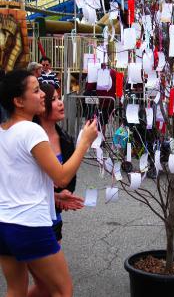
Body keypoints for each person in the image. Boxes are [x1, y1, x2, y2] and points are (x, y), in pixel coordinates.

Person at [0, 70, 97, 296]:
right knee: (63, 291)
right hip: (28, 225)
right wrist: (84, 142)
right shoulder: (32, 130)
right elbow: (62, 177)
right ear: (18, 101)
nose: (42, 95)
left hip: (4, 223)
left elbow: (14, 183)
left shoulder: (3, 132)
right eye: (36, 91)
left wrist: (53, 196)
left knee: (18, 289)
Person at [27, 83, 85, 296]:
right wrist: (85, 144)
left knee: (45, 286)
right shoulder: (31, 137)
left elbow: (66, 180)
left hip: (54, 219)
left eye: (60, 98)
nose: (60, 103)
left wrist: (62, 196)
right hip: (32, 221)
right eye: (53, 99)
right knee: (60, 289)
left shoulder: (65, 139)